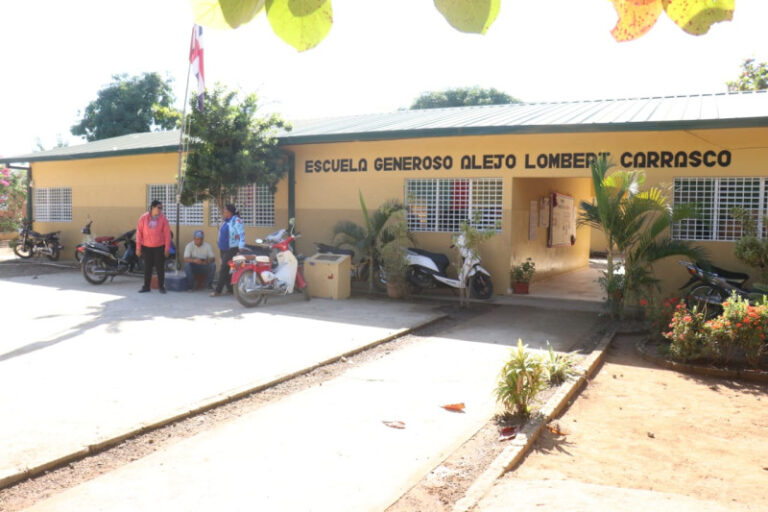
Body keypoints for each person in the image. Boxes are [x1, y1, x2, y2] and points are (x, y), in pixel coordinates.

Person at [136, 199, 172, 294]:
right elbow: (139, 233)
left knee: (160, 268)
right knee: (147, 268)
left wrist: (167, 248)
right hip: (146, 247)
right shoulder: (143, 218)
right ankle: (146, 287)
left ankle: (161, 287)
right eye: (158, 208)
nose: (160, 210)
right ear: (152, 207)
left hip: (159, 247)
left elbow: (167, 234)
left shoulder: (163, 219)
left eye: (161, 208)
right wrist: (138, 247)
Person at [211, 203, 245, 297]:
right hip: (223, 248)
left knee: (223, 269)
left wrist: (241, 246)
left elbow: (241, 234)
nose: (223, 212)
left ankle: (218, 290)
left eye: (225, 210)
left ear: (230, 212)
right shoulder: (225, 221)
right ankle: (230, 289)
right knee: (227, 268)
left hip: (232, 248)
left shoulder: (237, 221)